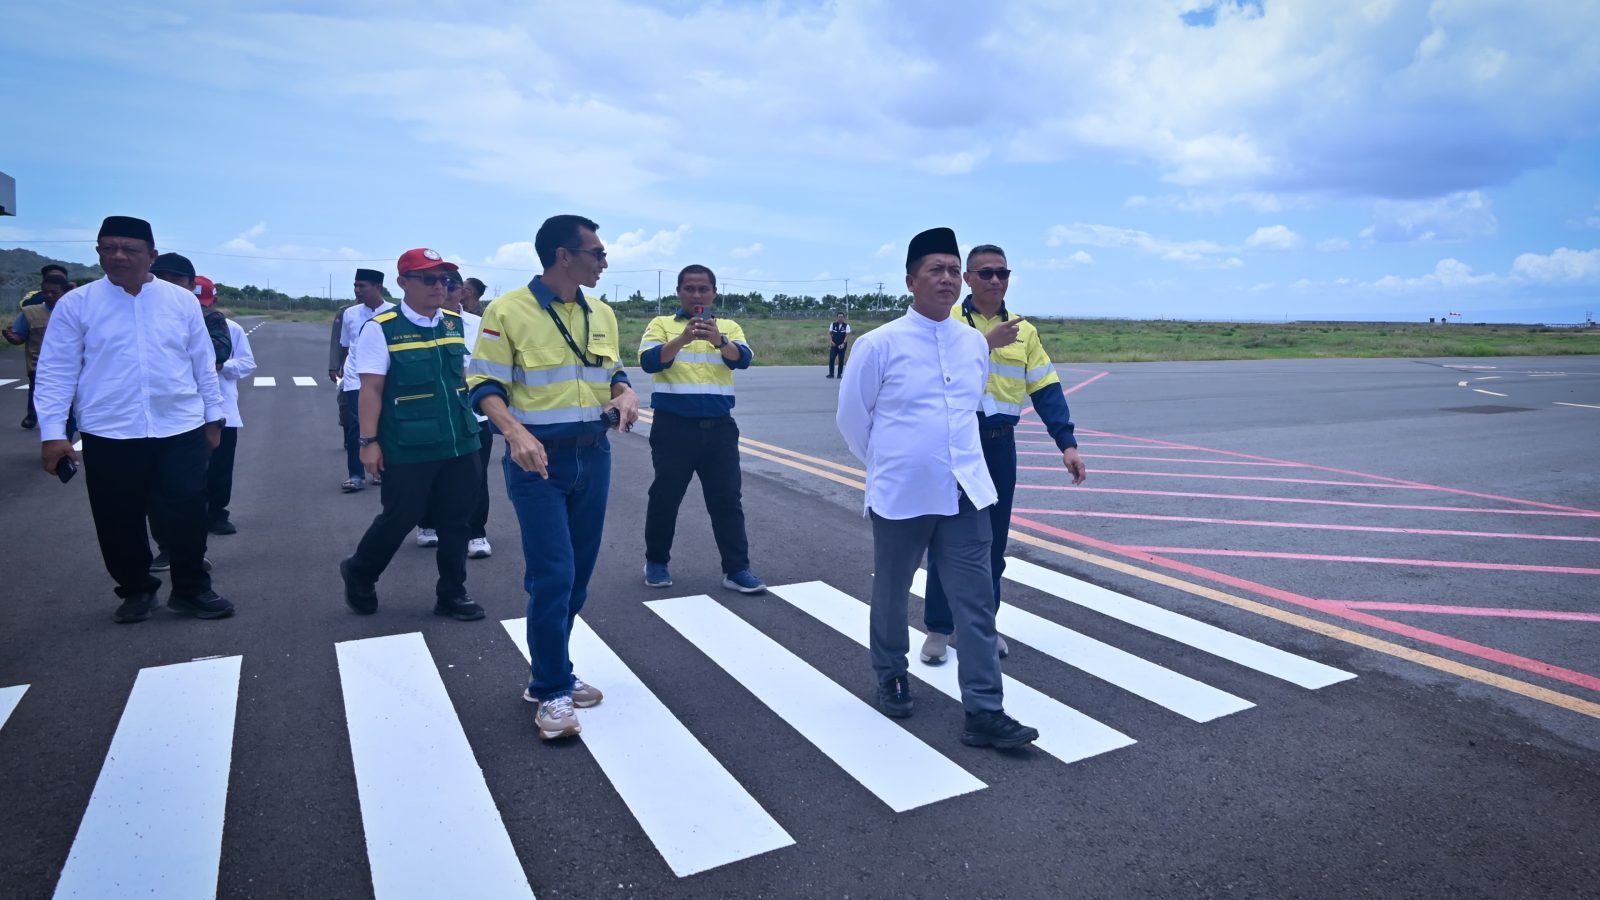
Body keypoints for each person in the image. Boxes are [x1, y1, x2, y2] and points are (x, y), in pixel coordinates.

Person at [835, 226, 1038, 750]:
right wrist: (893, 464)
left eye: (953, 270)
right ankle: (891, 674)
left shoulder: (973, 342)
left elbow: (968, 409)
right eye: (936, 270)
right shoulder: (877, 344)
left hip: (967, 491)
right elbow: (853, 421)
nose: (947, 279)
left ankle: (985, 710)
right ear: (910, 281)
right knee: (891, 590)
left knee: (976, 603)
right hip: (903, 493)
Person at [467, 214, 640, 741]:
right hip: (537, 462)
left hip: (595, 455)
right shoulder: (507, 310)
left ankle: (551, 673)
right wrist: (515, 433)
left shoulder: (603, 313)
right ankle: (550, 691)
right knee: (553, 576)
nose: (605, 262)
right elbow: (482, 382)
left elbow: (609, 370)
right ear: (564, 255)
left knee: (579, 578)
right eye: (597, 253)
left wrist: (625, 391)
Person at [35, 215, 234, 624]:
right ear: (98, 252)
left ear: (152, 255)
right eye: (108, 248)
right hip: (109, 430)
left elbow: (202, 364)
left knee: (187, 510)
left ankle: (192, 589)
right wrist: (53, 434)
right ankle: (136, 590)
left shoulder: (180, 302)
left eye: (130, 249)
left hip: (179, 426)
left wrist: (214, 417)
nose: (118, 256)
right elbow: (56, 372)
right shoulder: (78, 304)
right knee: (117, 516)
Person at [919, 244, 1088, 665]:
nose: (996, 280)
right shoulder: (949, 319)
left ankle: (984, 626)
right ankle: (938, 629)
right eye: (986, 273)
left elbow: (1046, 388)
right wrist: (984, 344)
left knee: (992, 543)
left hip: (998, 445)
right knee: (946, 538)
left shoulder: (1024, 331)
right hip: (955, 443)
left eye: (1003, 273)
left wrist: (1067, 443)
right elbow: (929, 371)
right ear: (969, 279)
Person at [338, 248, 486, 623]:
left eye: (446, 280)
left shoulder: (454, 325)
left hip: (460, 439)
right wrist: (368, 443)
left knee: (457, 521)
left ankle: (452, 593)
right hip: (409, 444)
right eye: (429, 279)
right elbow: (370, 389)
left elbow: (465, 379)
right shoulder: (381, 328)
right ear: (404, 283)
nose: (441, 287)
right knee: (400, 517)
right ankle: (360, 570)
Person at [638, 264, 766, 593]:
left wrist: (719, 340)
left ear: (714, 293)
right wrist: (682, 338)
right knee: (665, 497)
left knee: (727, 500)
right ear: (679, 292)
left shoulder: (728, 326)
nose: (697, 295)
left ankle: (737, 569)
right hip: (673, 428)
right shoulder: (661, 325)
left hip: (719, 429)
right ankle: (656, 562)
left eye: (703, 289)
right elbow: (650, 361)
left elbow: (743, 359)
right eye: (690, 288)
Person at [415, 275, 494, 559]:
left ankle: (476, 532)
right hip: (432, 414)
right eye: (436, 284)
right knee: (430, 474)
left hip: (474, 414)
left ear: (463, 291)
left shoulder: (478, 325)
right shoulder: (419, 324)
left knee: (476, 476)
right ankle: (427, 523)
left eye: (451, 286)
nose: (444, 291)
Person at [199, 275, 255, 535]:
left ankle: (217, 513)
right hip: (181, 414)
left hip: (222, 409)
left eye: (205, 303)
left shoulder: (231, 328)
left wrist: (222, 365)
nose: (202, 308)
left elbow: (247, 364)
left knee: (220, 469)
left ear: (215, 300)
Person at [335, 269, 394, 492]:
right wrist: (339, 369)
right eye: (355, 286)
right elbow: (345, 345)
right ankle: (356, 475)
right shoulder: (349, 313)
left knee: (384, 424)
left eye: (362, 286)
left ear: (377, 287)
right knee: (356, 426)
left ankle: (380, 471)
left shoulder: (393, 312)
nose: (357, 290)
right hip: (355, 377)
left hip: (384, 377)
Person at [4, 273, 68, 428]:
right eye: (45, 292)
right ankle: (33, 415)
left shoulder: (76, 310)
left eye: (54, 292)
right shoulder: (30, 312)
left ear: (64, 292)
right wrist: (12, 338)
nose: (49, 295)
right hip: (38, 364)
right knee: (37, 391)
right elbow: (20, 336)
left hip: (68, 364)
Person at [150, 253, 232, 367]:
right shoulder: (133, 309)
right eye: (159, 279)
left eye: (176, 280)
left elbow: (220, 353)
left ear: (192, 285)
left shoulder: (209, 316)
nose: (167, 285)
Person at [826, 311, 850, 378]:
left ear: (843, 318)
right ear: (837, 317)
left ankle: (839, 374)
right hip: (834, 345)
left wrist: (843, 344)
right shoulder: (833, 324)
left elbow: (847, 336)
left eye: (841, 317)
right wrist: (831, 341)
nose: (840, 318)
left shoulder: (846, 326)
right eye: (839, 317)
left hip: (842, 345)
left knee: (841, 360)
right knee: (831, 358)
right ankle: (831, 374)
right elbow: (830, 333)